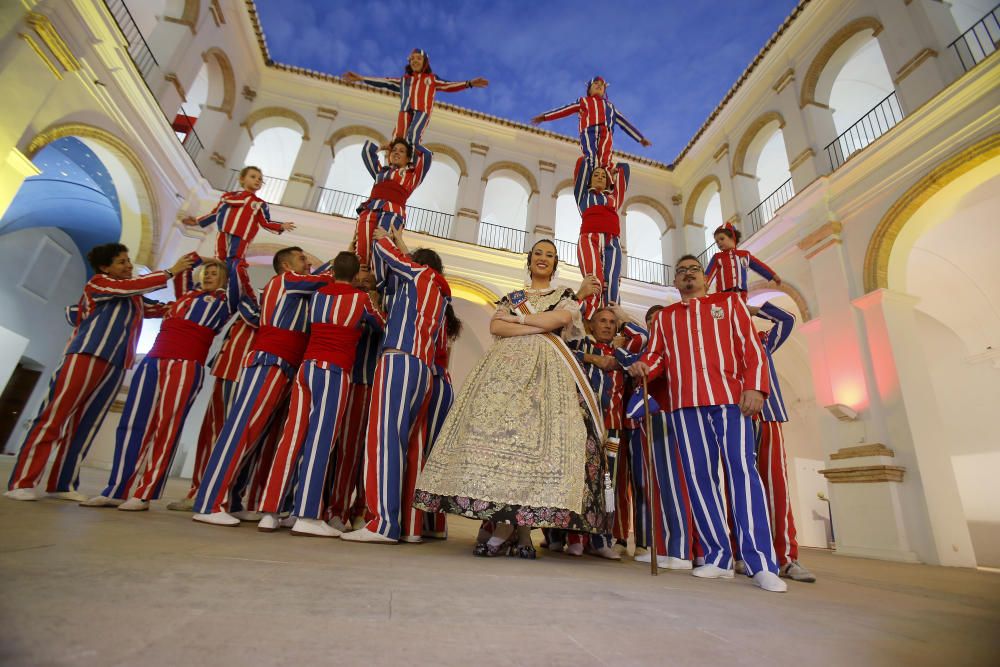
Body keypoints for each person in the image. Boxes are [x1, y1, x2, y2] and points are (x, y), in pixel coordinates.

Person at [414, 239, 610, 560]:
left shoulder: (564, 297)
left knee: (535, 450)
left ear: (556, 263)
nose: (543, 259)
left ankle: (515, 531)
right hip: (502, 377)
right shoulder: (514, 297)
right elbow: (495, 326)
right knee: (505, 448)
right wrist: (533, 323)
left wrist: (517, 322)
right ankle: (514, 532)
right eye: (538, 254)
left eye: (549, 255)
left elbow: (558, 321)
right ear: (529, 261)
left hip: (546, 378)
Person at [628, 254, 786, 593]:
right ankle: (718, 557)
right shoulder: (666, 318)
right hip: (686, 405)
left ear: (706, 277)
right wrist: (643, 366)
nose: (687, 275)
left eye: (693, 270)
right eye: (681, 271)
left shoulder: (729, 304)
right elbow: (656, 356)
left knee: (742, 472)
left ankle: (761, 562)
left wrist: (755, 387)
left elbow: (751, 348)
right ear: (675, 282)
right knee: (699, 479)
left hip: (731, 400)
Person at [5, 244, 193, 501]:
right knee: (54, 416)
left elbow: (158, 309)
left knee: (86, 425)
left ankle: (62, 484)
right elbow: (129, 287)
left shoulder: (134, 297)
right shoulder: (99, 283)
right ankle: (22, 481)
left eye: (128, 261)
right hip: (86, 355)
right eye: (121, 262)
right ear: (106, 267)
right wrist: (171, 272)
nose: (128, 266)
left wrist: (184, 304)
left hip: (117, 363)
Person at [80, 256, 246, 510]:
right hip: (154, 360)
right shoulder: (185, 297)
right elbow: (186, 265)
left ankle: (144, 493)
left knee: (167, 427)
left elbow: (237, 269)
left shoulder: (226, 301)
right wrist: (198, 260)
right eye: (207, 272)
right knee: (133, 423)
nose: (209, 276)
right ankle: (116, 489)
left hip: (186, 364)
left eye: (215, 273)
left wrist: (226, 257)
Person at [192, 247, 332, 526]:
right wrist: (339, 264)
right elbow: (327, 278)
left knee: (257, 437)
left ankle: (231, 500)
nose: (307, 263)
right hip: (270, 361)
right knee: (241, 430)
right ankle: (209, 503)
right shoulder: (287, 281)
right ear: (285, 263)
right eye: (302, 258)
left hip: (286, 365)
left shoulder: (296, 288)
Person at [255, 252, 385, 537]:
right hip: (334, 371)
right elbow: (380, 325)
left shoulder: (318, 296)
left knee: (291, 438)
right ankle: (308, 514)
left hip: (306, 367)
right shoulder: (360, 300)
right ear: (355, 276)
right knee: (320, 440)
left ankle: (270, 510)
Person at [341, 229, 451, 544]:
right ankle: (411, 526)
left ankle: (383, 522)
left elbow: (389, 255)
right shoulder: (441, 290)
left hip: (399, 358)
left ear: (417, 263)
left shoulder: (418, 274)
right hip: (424, 368)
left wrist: (380, 233)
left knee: (384, 439)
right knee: (410, 447)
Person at [616, 305, 694, 570]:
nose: (654, 325)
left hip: (672, 414)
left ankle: (683, 548)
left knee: (675, 483)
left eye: (659, 320)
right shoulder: (646, 350)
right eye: (651, 321)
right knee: (650, 484)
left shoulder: (677, 346)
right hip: (647, 422)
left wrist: (625, 318)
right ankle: (656, 544)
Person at [167, 303, 259, 512]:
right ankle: (200, 490)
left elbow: (253, 316)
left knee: (229, 436)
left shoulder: (261, 305)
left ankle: (220, 494)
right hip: (226, 370)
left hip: (241, 374)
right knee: (211, 434)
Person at [753, 302, 816, 583]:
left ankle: (786, 558)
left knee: (775, 486)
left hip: (767, 415)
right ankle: (745, 552)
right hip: (732, 420)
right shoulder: (720, 341)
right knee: (736, 488)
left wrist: (755, 308)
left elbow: (787, 319)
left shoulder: (762, 340)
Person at [325, 263, 383, 532]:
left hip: (374, 385)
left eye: (368, 286)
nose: (363, 290)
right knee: (346, 451)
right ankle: (336, 508)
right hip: (351, 381)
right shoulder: (347, 306)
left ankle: (360, 509)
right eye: (359, 285)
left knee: (367, 454)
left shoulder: (382, 312)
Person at [181, 166, 296, 297]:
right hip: (223, 233)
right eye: (253, 177)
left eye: (260, 179)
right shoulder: (228, 197)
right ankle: (214, 287)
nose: (257, 180)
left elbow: (265, 222)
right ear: (242, 179)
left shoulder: (259, 204)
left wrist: (280, 226)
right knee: (219, 259)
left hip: (241, 237)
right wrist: (197, 221)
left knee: (234, 261)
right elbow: (216, 214)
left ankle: (229, 289)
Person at [342, 49, 488, 146]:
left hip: (421, 111)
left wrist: (469, 83)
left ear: (425, 62)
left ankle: (411, 163)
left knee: (412, 135)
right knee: (398, 138)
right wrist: (362, 78)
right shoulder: (404, 80)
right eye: (412, 59)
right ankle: (392, 166)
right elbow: (385, 82)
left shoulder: (431, 79)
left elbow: (449, 86)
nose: (414, 61)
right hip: (404, 111)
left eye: (418, 58)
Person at [531, 76, 651, 166]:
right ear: (589, 89)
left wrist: (640, 138)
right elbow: (565, 110)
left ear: (604, 91)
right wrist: (545, 116)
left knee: (606, 156)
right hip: (589, 130)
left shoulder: (610, 107)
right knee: (590, 154)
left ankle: (605, 179)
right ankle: (590, 175)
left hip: (606, 133)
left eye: (602, 85)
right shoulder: (583, 101)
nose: (599, 85)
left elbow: (625, 123)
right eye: (595, 84)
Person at [355, 138, 432, 278]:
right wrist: (383, 146)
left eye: (401, 151)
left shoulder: (413, 176)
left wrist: (413, 145)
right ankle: (360, 284)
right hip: (370, 210)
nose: (396, 153)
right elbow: (366, 152)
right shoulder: (380, 172)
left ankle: (379, 286)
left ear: (408, 158)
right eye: (394, 150)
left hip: (392, 213)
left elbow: (427, 156)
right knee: (362, 250)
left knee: (382, 247)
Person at [421, 303, 462, 539]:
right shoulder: (441, 322)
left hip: (436, 381)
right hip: (438, 381)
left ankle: (432, 521)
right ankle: (432, 523)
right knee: (429, 454)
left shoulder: (435, 321)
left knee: (428, 455)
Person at [573, 157, 630, 319]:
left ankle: (612, 317)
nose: (599, 177)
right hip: (589, 237)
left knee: (612, 279)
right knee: (594, 278)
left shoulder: (614, 198)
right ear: (589, 179)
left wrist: (611, 170)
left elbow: (624, 168)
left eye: (603, 176)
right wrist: (594, 161)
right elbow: (581, 164)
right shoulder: (582, 196)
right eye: (596, 175)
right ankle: (591, 317)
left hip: (612, 240)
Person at [705, 222, 780, 298]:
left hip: (742, 294)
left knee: (762, 307)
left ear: (732, 237)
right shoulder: (717, 257)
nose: (719, 243)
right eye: (717, 241)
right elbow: (708, 274)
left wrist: (773, 275)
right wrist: (703, 287)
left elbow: (759, 266)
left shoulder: (745, 254)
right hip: (723, 295)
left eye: (722, 239)